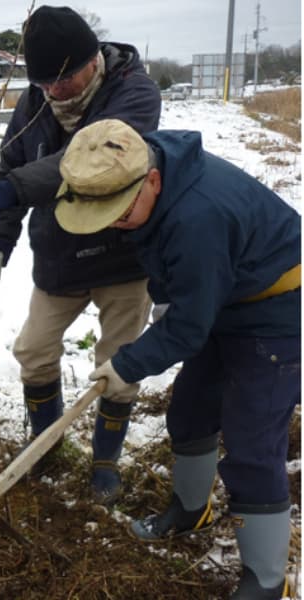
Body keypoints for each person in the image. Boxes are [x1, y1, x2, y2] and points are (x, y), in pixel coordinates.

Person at [54, 118, 300, 600]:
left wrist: (127, 362)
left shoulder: (197, 216)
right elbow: (179, 285)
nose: (116, 224)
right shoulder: (150, 163)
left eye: (120, 213)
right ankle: (190, 511)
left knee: (252, 442)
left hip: (277, 309)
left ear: (150, 181)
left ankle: (266, 580)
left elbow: (189, 326)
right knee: (189, 411)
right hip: (225, 297)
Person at [0, 5, 161, 503]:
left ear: (92, 61)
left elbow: (91, 161)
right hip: (60, 255)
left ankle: (105, 463)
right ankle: (46, 444)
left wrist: (16, 188)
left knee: (118, 364)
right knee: (33, 351)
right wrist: (5, 225)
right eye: (43, 82)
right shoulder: (35, 101)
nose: (54, 91)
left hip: (122, 253)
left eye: (62, 79)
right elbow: (13, 162)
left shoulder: (134, 93)